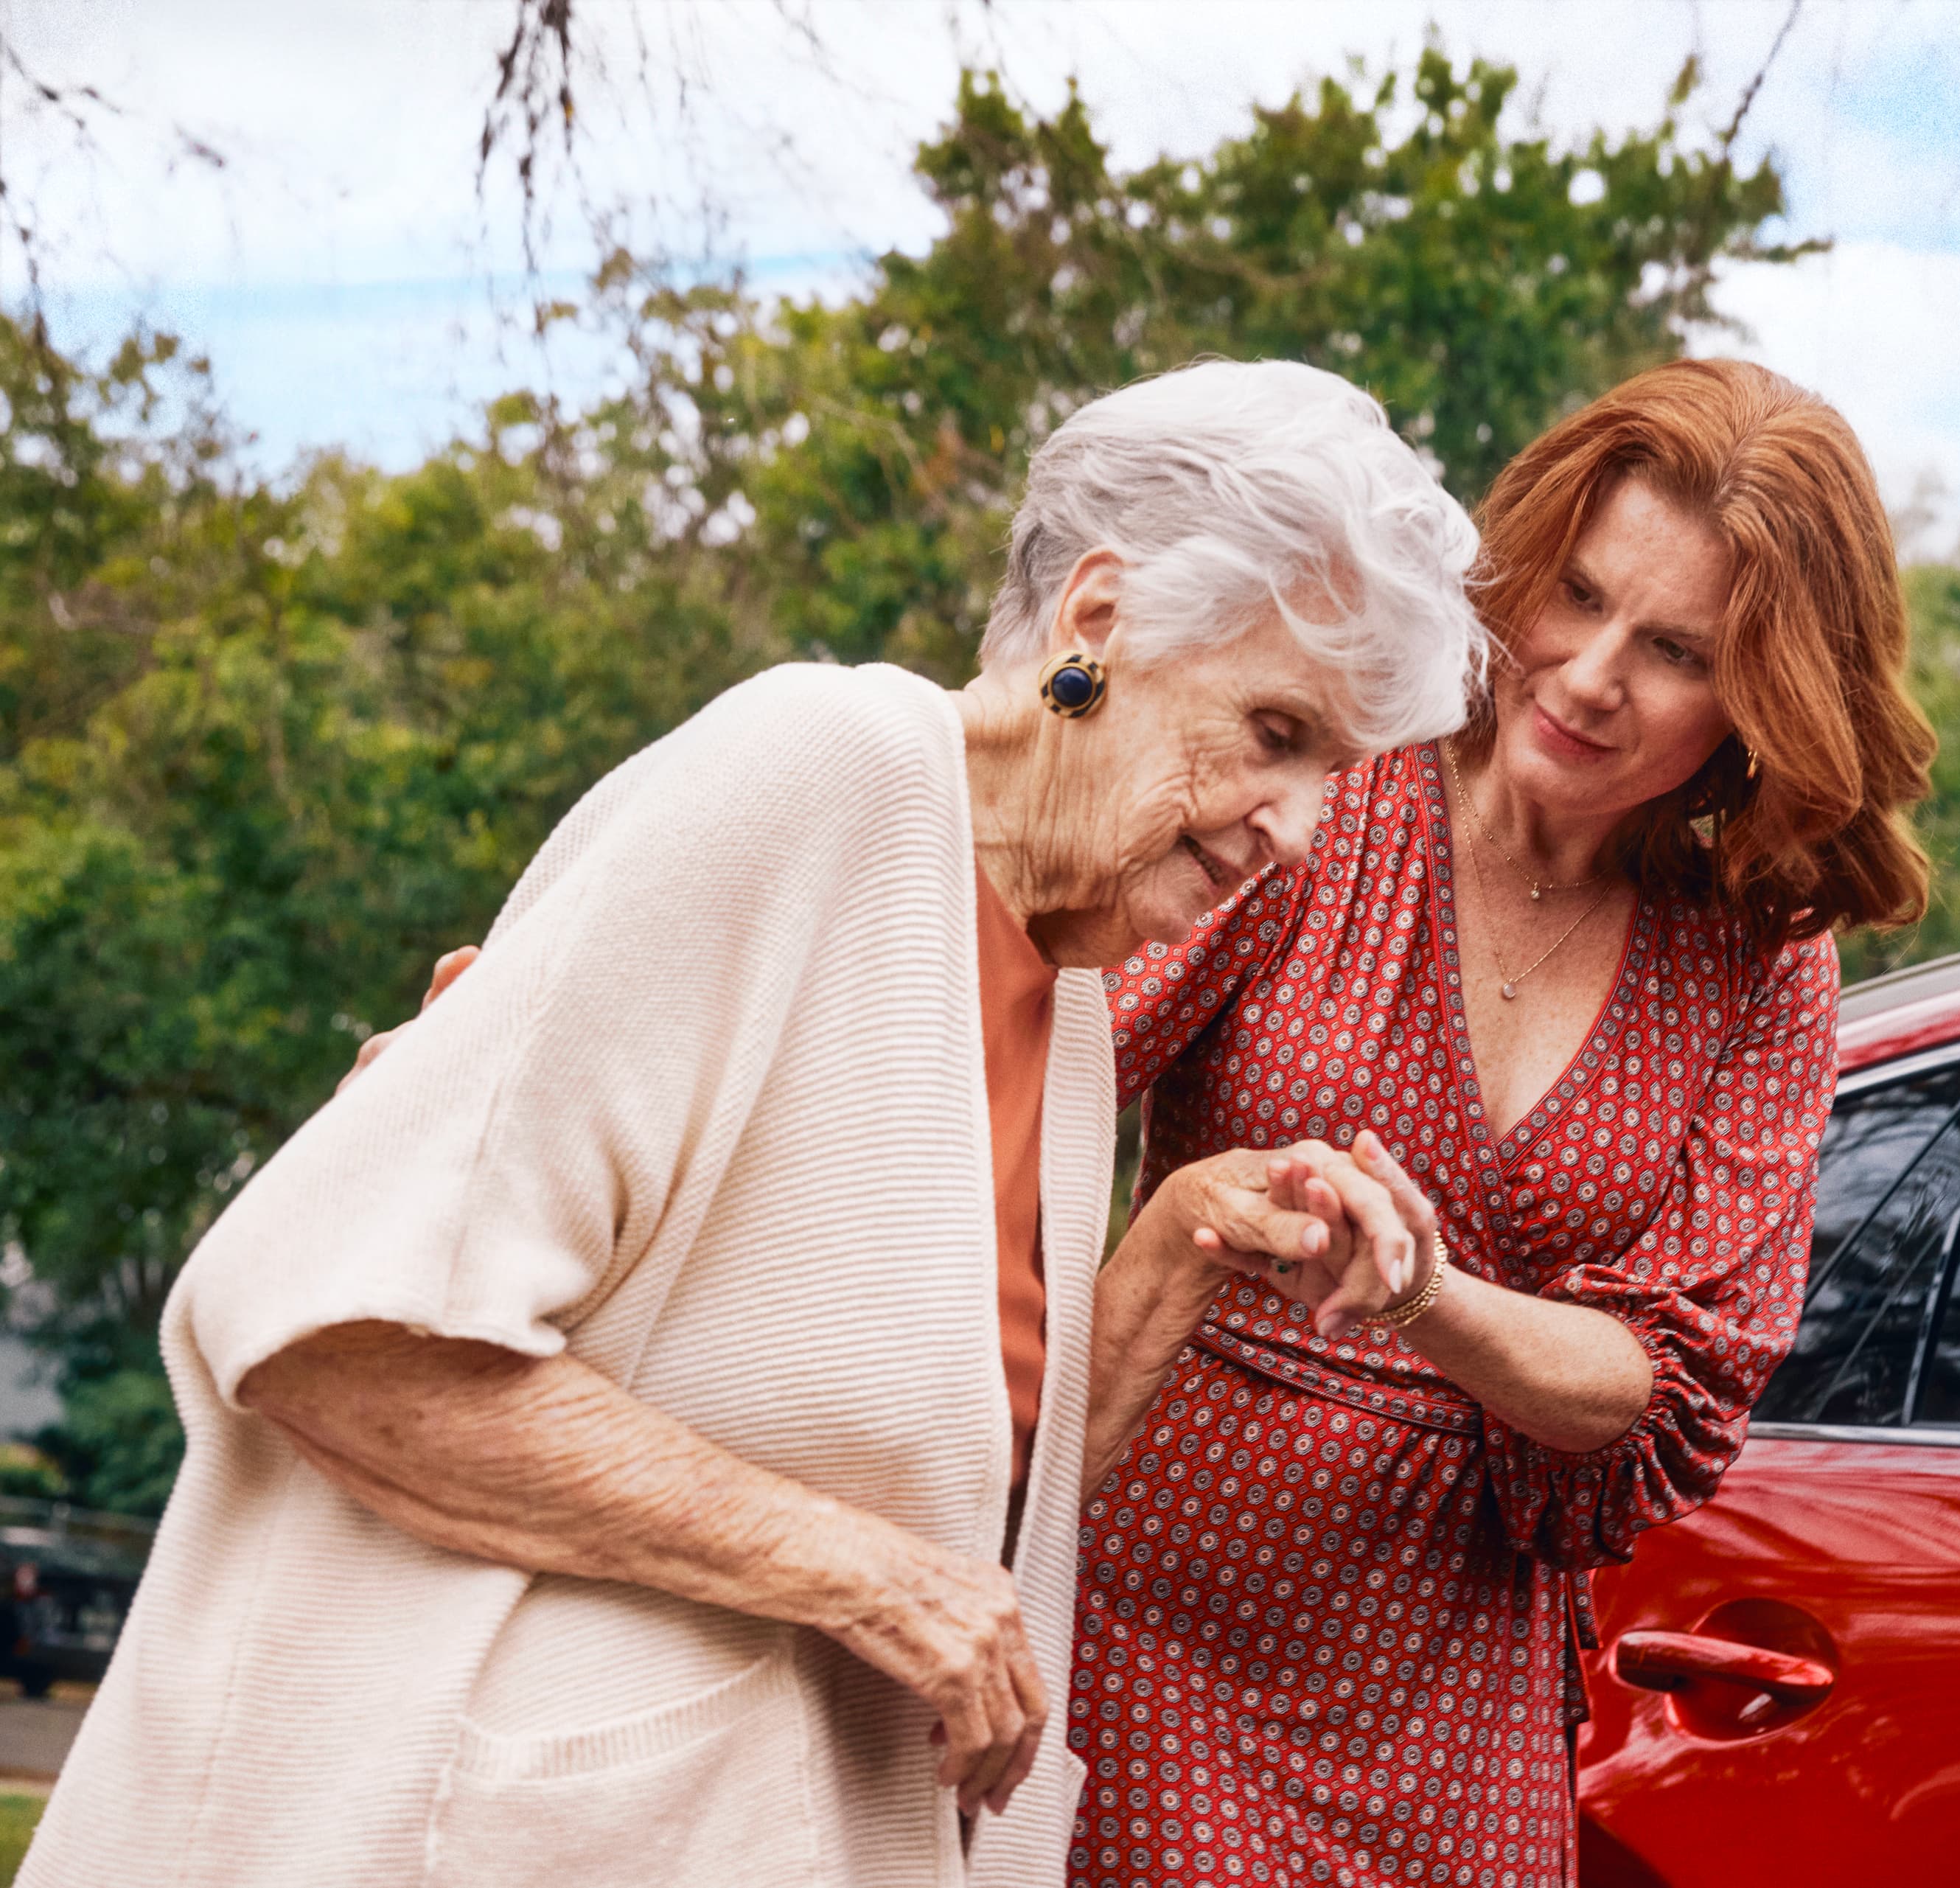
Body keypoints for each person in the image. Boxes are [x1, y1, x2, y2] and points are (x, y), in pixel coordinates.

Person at [21, 359, 1487, 1888]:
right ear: (1098, 626)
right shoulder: (822, 773)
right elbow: (330, 1321)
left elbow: (960, 1516)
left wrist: (1182, 1241)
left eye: (1331, 771)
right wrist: (856, 1577)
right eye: (1273, 733)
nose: (1298, 829)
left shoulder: (1064, 1011)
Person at [1069, 357, 1934, 1887]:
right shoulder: (1335, 780)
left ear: (1763, 698)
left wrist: (1429, 1299)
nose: (1591, 674)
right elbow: (1038, 1037)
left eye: (1672, 648)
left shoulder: (1756, 954)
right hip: (1156, 1614)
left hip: (1454, 1687)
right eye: (1580, 596)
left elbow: (1672, 1384)